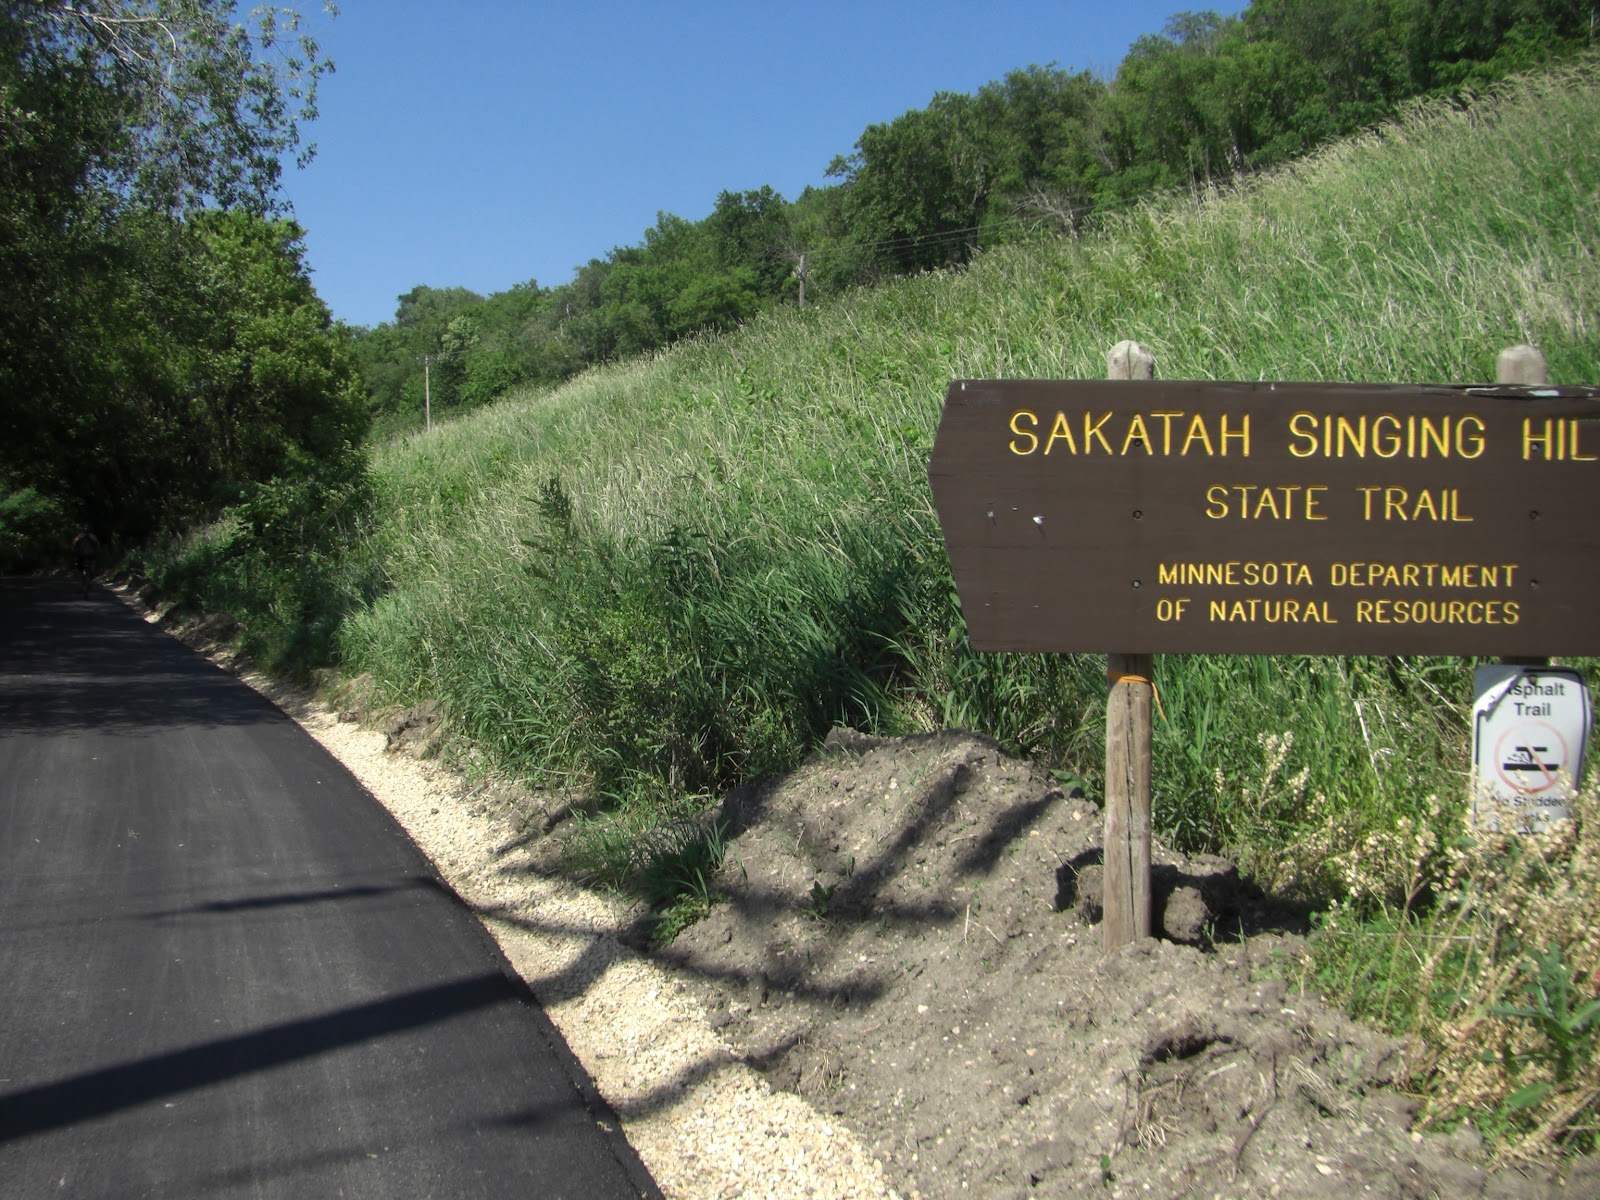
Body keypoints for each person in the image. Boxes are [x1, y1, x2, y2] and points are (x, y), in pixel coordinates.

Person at [72, 524, 100, 594]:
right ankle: (91, 579)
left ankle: (81, 585)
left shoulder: (80, 536)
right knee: (92, 567)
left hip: (81, 555)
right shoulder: (93, 536)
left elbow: (74, 545)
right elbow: (97, 545)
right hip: (91, 555)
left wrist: (74, 552)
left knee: (79, 570)